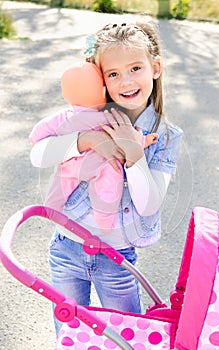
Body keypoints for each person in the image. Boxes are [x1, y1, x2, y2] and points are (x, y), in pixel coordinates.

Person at [30, 21, 183, 336]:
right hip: (66, 248)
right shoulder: (86, 118)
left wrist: (133, 154)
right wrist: (82, 141)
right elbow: (38, 155)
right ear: (100, 79)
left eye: (135, 68)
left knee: (126, 337)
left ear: (155, 67)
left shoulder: (166, 136)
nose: (125, 81)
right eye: (113, 74)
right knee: (70, 335)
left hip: (116, 259)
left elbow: (149, 203)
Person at [30, 62, 158, 232]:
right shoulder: (109, 116)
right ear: (102, 91)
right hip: (101, 166)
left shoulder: (62, 117)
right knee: (109, 185)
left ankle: (51, 209)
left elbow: (39, 133)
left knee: (60, 183)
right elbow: (127, 135)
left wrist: (36, 138)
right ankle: (105, 222)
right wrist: (145, 141)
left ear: (65, 95)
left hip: (69, 166)